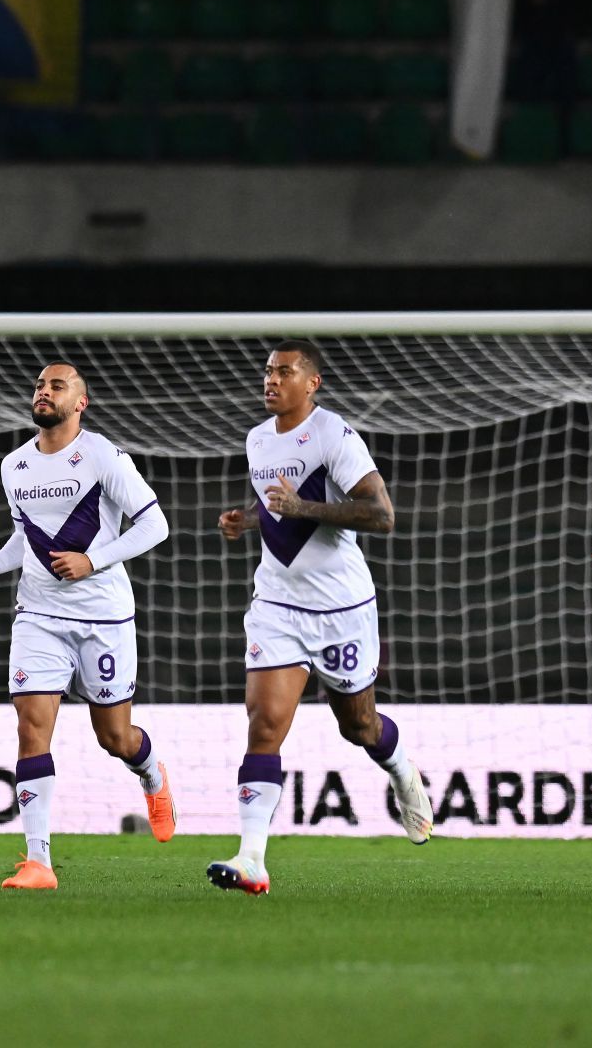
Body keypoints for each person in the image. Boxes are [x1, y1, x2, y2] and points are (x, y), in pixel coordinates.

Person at [207, 340, 433, 897]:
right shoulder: (258, 439)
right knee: (264, 724)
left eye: (285, 372)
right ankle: (252, 858)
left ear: (313, 383)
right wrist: (250, 520)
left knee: (359, 727)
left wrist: (300, 508)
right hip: (277, 606)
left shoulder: (334, 434)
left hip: (341, 610)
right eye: (267, 372)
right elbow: (280, 508)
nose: (271, 380)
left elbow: (382, 515)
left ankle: (403, 770)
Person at [0, 362, 176, 890]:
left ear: (81, 402)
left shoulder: (102, 456)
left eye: (57, 386)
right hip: (38, 614)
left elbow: (155, 524)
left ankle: (151, 775)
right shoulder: (15, 465)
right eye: (40, 384)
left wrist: (93, 561)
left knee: (115, 737)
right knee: (31, 728)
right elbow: (26, 540)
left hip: (103, 615)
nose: (44, 391)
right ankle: (39, 862)